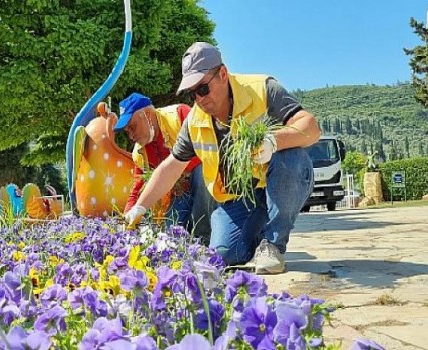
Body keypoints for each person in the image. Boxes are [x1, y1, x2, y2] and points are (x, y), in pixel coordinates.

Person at [124, 42, 320, 274]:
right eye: (192, 93)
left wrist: (273, 141)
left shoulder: (263, 89)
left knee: (292, 157)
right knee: (223, 253)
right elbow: (171, 167)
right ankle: (258, 232)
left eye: (203, 88)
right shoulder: (195, 121)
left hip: (279, 178)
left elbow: (311, 127)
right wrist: (139, 207)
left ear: (223, 74)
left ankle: (273, 244)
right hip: (240, 197)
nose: (199, 99)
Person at [114, 92, 216, 238]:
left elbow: (209, 153)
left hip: (205, 182)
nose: (131, 136)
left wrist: (177, 172)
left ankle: (204, 236)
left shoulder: (179, 114)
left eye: (132, 127)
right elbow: (137, 188)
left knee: (201, 172)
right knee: (171, 233)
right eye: (127, 131)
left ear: (148, 114)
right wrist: (127, 218)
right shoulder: (140, 151)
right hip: (179, 193)